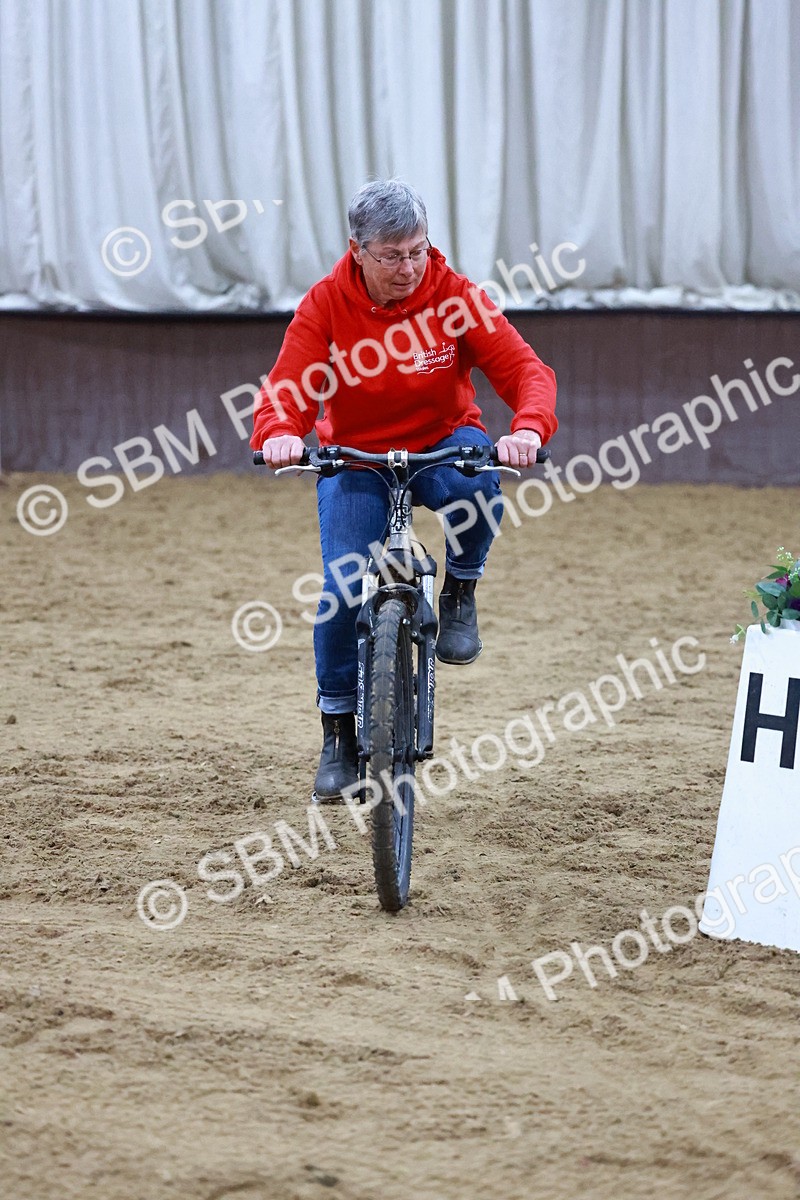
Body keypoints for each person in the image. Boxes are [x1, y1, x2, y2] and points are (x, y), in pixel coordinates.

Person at [251, 179, 557, 800]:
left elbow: (525, 370)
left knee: (479, 489)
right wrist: (281, 430)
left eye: (417, 250)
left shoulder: (456, 297)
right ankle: (338, 732)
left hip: (445, 441)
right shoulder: (325, 304)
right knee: (339, 590)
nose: (408, 267)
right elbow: (288, 387)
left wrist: (527, 427)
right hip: (356, 456)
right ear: (357, 250)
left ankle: (461, 591)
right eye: (391, 256)